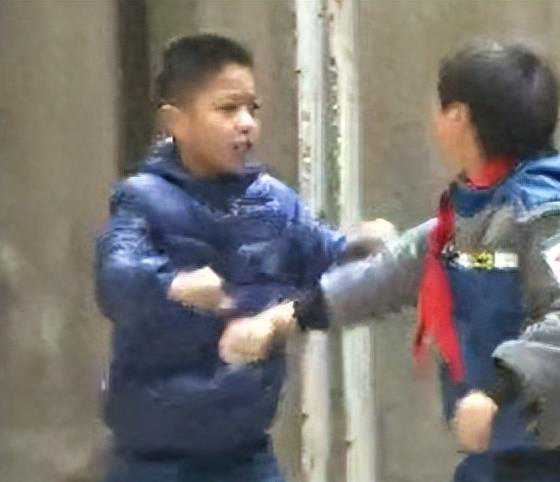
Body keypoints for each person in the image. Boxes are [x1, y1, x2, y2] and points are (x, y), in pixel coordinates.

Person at [219, 40, 560, 482]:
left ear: (458, 117)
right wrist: (283, 320)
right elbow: (383, 276)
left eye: (440, 106)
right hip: (496, 454)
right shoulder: (469, 214)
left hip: (550, 456)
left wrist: (497, 389)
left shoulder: (547, 218)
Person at [94, 34, 388, 482]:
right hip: (154, 460)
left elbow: (329, 266)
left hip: (246, 454)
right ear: (176, 121)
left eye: (253, 108)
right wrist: (171, 284)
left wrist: (366, 247)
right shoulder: (142, 199)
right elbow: (115, 276)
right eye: (228, 109)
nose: (246, 123)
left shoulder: (274, 204)